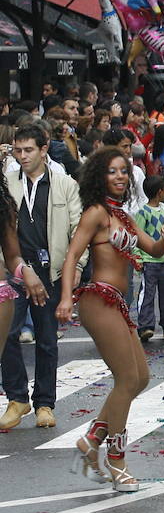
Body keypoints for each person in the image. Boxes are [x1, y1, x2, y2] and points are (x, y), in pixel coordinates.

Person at [57, 147, 164, 491]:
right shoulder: (96, 213)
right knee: (127, 379)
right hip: (97, 299)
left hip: (117, 302)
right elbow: (72, 255)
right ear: (100, 177)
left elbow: (155, 250)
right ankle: (117, 461)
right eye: (112, 171)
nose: (119, 177)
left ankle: (92, 440)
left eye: (124, 171)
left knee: (140, 377)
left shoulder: (124, 217)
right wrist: (66, 298)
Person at [2, 128, 82, 432]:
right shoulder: (7, 183)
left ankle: (45, 403)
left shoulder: (64, 185)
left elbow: (77, 230)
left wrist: (76, 267)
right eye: (18, 151)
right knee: (8, 334)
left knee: (47, 341)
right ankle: (16, 398)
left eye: (28, 150)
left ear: (44, 149)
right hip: (15, 270)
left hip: (51, 270)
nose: (22, 156)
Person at [132, 176, 164, 341]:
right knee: (147, 294)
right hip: (149, 262)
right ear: (160, 192)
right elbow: (137, 237)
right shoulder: (143, 213)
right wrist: (138, 259)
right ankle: (145, 326)